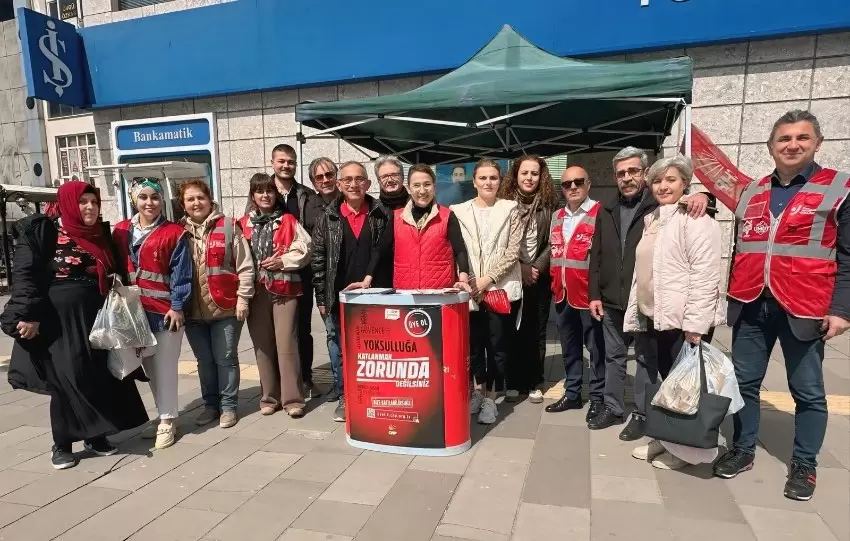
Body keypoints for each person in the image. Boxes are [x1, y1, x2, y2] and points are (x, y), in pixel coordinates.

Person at [710, 110, 850, 501]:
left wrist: (841, 310)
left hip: (804, 306)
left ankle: (805, 464)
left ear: (817, 143)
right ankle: (743, 448)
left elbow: (848, 256)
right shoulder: (753, 191)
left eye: (801, 138)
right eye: (784, 139)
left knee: (807, 391)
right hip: (753, 304)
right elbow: (742, 248)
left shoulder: (838, 188)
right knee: (744, 383)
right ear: (771, 146)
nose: (792, 145)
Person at [0, 181, 148, 470]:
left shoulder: (99, 234)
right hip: (57, 318)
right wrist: (27, 315)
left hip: (96, 313)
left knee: (97, 375)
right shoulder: (45, 231)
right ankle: (62, 443)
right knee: (67, 378)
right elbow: (25, 276)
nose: (90, 207)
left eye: (94, 202)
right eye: (83, 202)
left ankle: (96, 436)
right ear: (68, 204)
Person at [587, 147, 711, 439]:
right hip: (611, 300)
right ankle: (613, 407)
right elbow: (597, 254)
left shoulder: (657, 207)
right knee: (614, 357)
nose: (627, 178)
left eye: (632, 171)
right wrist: (595, 293)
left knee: (645, 360)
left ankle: (643, 414)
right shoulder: (607, 209)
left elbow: (687, 201)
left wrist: (704, 196)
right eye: (621, 173)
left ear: (644, 173)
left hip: (644, 301)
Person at [622, 155, 724, 470]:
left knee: (688, 387)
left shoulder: (695, 218)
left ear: (685, 183)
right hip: (656, 317)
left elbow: (706, 274)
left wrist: (696, 326)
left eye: (671, 180)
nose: (663, 186)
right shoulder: (655, 218)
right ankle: (669, 438)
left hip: (683, 321)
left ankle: (687, 451)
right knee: (670, 384)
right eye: (657, 181)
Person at [112, 178, 192, 450]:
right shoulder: (121, 230)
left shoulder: (174, 233)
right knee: (148, 368)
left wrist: (178, 306)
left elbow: (182, 274)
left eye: (155, 197)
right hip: (134, 312)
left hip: (166, 312)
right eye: (143, 197)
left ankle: (168, 420)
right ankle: (163, 415)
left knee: (165, 369)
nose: (150, 203)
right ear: (134, 199)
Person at [312, 161, 392, 422]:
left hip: (376, 295)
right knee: (340, 346)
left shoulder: (381, 213)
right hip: (338, 296)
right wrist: (322, 298)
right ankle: (345, 395)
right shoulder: (328, 217)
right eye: (347, 180)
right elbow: (319, 259)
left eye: (359, 179)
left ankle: (374, 394)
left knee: (375, 349)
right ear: (339, 185)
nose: (353, 184)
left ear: (368, 184)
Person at [452, 159, 523, 425]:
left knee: (497, 346)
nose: (488, 183)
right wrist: (471, 282)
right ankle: (477, 393)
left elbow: (513, 251)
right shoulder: (459, 211)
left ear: (500, 180)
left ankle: (492, 399)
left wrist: (488, 279)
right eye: (483, 178)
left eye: (493, 178)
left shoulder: (510, 209)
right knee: (472, 346)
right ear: (474, 181)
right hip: (468, 289)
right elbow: (458, 249)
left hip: (498, 289)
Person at [180, 180, 254, 429]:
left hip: (225, 307)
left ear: (209, 199)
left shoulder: (229, 226)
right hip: (193, 311)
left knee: (225, 358)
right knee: (204, 361)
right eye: (190, 199)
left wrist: (244, 297)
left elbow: (245, 266)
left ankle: (229, 407)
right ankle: (211, 405)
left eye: (200, 197)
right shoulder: (179, 231)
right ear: (183, 204)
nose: (196, 203)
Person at [239, 173, 312, 418]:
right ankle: (269, 397)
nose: (265, 195)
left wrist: (282, 260)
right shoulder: (242, 224)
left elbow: (304, 249)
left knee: (287, 344)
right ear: (253, 196)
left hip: (285, 290)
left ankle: (293, 399)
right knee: (263, 346)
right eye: (260, 191)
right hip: (256, 292)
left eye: (270, 191)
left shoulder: (289, 220)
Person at [545, 166, 606, 421]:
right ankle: (572, 394)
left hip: (588, 296)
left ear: (588, 184)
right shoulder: (558, 215)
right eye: (567, 183)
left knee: (596, 349)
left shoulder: (600, 213)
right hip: (562, 293)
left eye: (578, 182)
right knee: (570, 348)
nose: (572, 187)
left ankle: (598, 398)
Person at [498, 155, 558, 404]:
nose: (529, 178)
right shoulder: (503, 205)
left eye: (534, 173)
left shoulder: (550, 204)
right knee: (511, 328)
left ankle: (534, 381)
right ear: (516, 175)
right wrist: (520, 267)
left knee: (537, 329)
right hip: (511, 275)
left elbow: (553, 240)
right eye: (524, 173)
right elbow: (499, 243)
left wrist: (536, 267)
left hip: (539, 277)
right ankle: (512, 381)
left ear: (541, 176)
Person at [270, 144, 321, 397]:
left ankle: (306, 379)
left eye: (291, 161)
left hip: (303, 273)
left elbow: (314, 231)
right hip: (272, 275)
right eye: (281, 161)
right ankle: (280, 382)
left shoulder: (307, 194)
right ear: (272, 163)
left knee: (302, 329)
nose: (286, 165)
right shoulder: (262, 191)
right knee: (274, 331)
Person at [382, 163, 471, 290]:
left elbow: (460, 250)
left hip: (439, 292)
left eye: (427, 184)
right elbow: (380, 250)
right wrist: (367, 278)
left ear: (435, 187)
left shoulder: (447, 215)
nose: (422, 190)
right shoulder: (396, 217)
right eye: (416, 185)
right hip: (406, 293)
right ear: (409, 188)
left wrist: (463, 279)